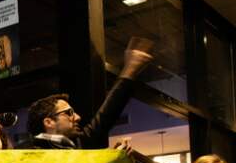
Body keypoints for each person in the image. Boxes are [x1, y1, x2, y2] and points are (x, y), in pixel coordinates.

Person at [24, 38, 154, 149]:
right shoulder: (25, 157)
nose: (78, 117)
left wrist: (113, 159)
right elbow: (103, 119)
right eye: (69, 113)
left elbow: (105, 118)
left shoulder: (78, 145)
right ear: (48, 122)